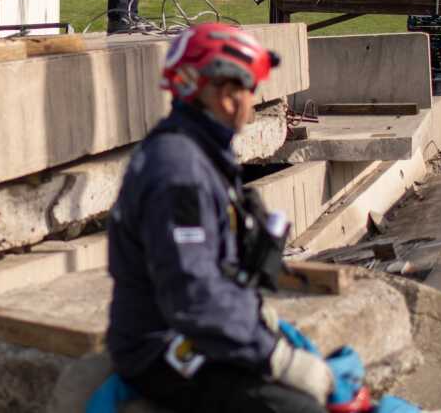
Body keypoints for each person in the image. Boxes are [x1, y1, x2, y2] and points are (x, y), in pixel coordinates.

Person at [106, 23, 334, 412]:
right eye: (251, 90)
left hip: (185, 327)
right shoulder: (181, 174)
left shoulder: (196, 152)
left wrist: (251, 318)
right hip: (160, 347)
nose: (252, 102)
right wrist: (272, 355)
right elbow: (193, 297)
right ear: (227, 95)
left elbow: (213, 271)